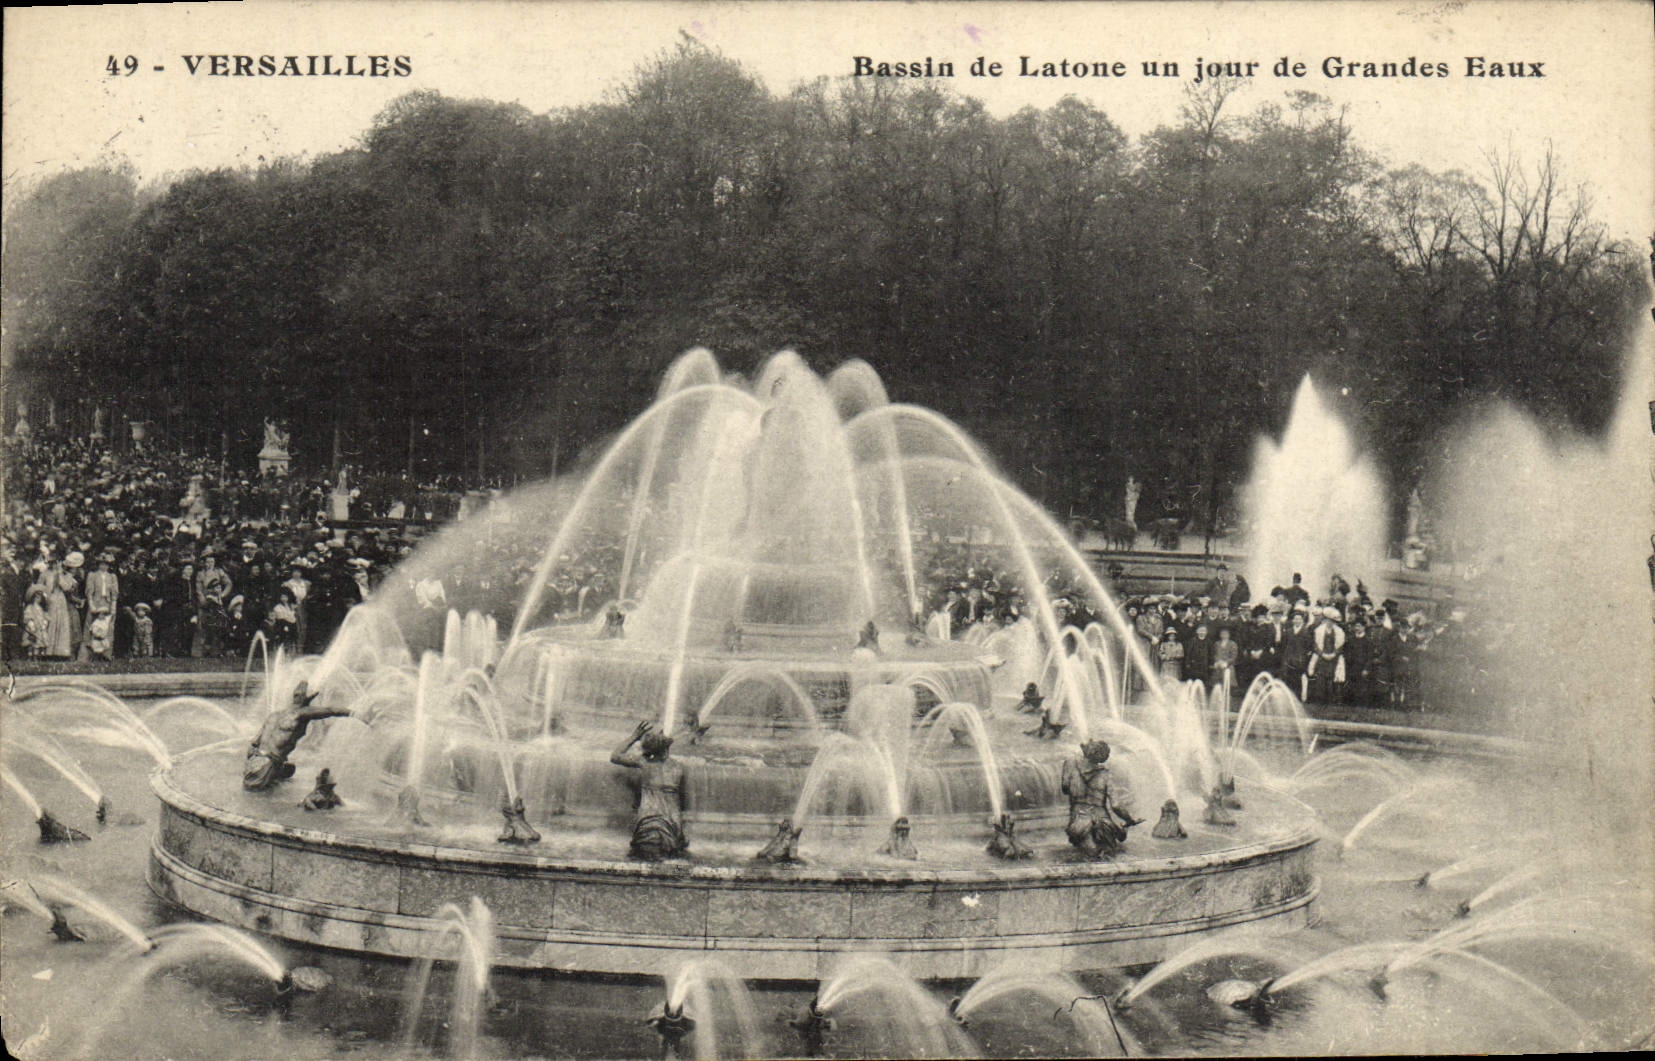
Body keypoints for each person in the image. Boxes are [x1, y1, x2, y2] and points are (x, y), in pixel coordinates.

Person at [244, 681, 355, 791]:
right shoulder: (301, 713)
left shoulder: (274, 715)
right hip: (269, 763)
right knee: (258, 796)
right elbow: (331, 710)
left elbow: (254, 743)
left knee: (286, 773)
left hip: (256, 759)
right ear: (306, 697)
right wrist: (355, 714)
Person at [610, 721, 688, 860]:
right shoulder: (679, 768)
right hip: (671, 821)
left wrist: (634, 736)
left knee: (640, 858)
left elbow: (615, 756)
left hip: (647, 819)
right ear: (666, 748)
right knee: (673, 859)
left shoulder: (644, 763)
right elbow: (683, 801)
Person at [1059, 739, 1141, 859]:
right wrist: (1130, 820)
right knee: (1108, 853)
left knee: (1089, 852)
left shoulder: (1070, 763)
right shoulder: (1105, 775)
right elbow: (1116, 806)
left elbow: (1065, 788)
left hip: (1080, 819)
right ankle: (1121, 830)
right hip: (1104, 823)